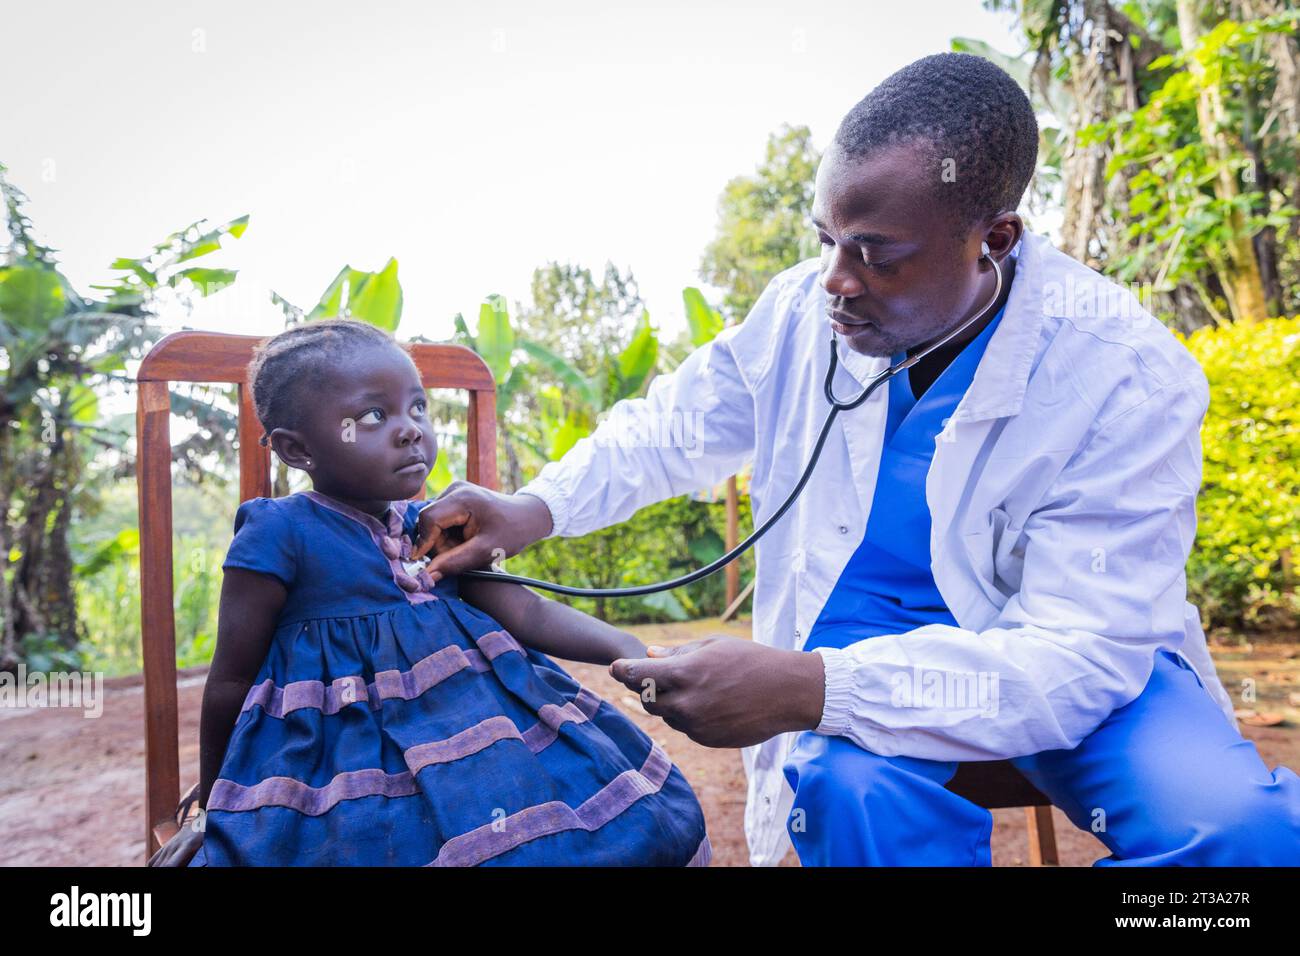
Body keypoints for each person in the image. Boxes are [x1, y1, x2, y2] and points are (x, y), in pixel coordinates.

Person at [416, 53, 1300, 866]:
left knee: (1240, 837)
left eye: (876, 254)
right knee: (854, 791)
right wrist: (531, 510)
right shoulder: (806, 308)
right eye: (828, 238)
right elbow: (675, 426)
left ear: (994, 239)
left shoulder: (1125, 372)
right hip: (856, 651)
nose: (836, 277)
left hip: (1072, 659)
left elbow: (1081, 652)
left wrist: (810, 686)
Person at [147, 318, 710, 867]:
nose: (411, 427)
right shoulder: (279, 532)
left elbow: (526, 610)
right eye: (374, 414)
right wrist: (212, 809)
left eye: (418, 407)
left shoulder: (439, 524)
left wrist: (639, 653)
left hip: (486, 744)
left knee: (617, 826)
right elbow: (229, 680)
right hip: (348, 769)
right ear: (296, 450)